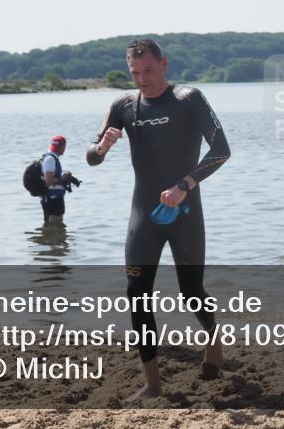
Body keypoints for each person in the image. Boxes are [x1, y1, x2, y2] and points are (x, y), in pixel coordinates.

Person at [86, 38, 230, 399]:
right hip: (143, 216)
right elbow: (91, 156)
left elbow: (221, 150)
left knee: (191, 293)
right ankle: (152, 384)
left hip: (184, 211)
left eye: (148, 70)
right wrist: (103, 147)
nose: (142, 79)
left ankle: (213, 341)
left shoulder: (188, 99)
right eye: (135, 73)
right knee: (137, 296)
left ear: (163, 64)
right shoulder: (123, 105)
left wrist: (186, 184)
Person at [40, 135, 77, 225]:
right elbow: (48, 180)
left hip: (52, 197)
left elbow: (50, 175)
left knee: (52, 226)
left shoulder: (50, 158)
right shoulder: (50, 159)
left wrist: (62, 175)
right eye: (64, 146)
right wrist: (63, 178)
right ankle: (54, 238)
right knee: (56, 224)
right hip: (53, 198)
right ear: (62, 146)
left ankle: (51, 237)